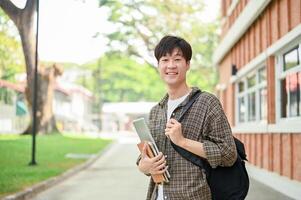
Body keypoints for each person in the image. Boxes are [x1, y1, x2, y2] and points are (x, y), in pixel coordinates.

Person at [137, 35, 237, 200]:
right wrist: (144, 166)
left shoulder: (207, 102)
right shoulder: (156, 111)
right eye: (165, 60)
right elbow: (146, 156)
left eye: (177, 59)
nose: (171, 65)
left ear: (187, 64)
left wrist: (182, 141)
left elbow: (228, 154)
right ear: (158, 65)